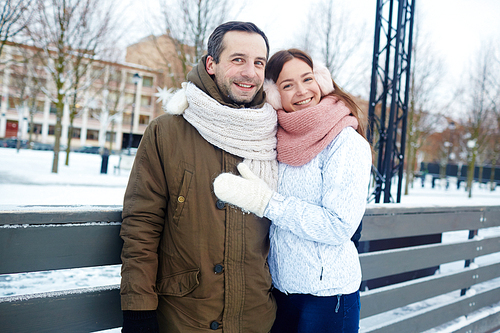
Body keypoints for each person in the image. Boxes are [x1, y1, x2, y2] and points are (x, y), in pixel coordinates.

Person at [119, 21, 278, 333]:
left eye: (259, 63)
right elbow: (141, 226)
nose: (250, 72)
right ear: (211, 64)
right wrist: (138, 312)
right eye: (238, 59)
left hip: (256, 319)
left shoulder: (273, 133)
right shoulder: (167, 131)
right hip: (183, 319)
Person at [214, 49, 372, 332]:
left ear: (322, 82)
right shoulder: (277, 138)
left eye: (307, 79)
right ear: (275, 95)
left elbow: (339, 226)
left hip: (327, 298)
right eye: (288, 85)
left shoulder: (346, 142)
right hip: (280, 292)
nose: (302, 91)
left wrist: (267, 202)